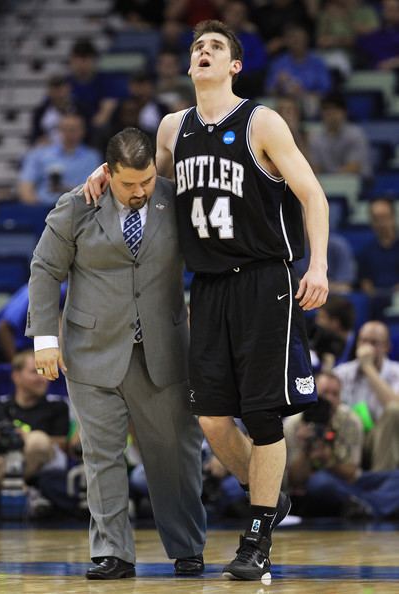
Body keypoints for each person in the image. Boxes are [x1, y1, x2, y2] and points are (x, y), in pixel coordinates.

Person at [84, 19, 329, 582]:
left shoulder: (261, 121)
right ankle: (269, 496)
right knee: (214, 420)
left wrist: (317, 265)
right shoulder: (173, 127)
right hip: (210, 286)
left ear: (235, 65)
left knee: (264, 415)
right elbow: (146, 180)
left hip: (266, 279)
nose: (203, 52)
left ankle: (258, 534)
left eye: (215, 47)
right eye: (197, 46)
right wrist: (107, 171)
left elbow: (312, 193)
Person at [26, 128, 206, 579]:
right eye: (129, 184)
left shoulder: (176, 199)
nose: (140, 191)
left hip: (165, 349)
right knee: (101, 455)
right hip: (91, 353)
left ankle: (186, 546)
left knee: (176, 452)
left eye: (146, 180)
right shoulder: (77, 205)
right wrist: (45, 340)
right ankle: (112, 552)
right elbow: (45, 269)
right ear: (108, 173)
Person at [284, 371, 399, 520]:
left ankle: (366, 506)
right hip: (315, 486)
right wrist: (306, 451)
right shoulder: (293, 424)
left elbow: (352, 473)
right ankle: (376, 504)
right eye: (325, 393)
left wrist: (328, 459)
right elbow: (294, 482)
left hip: (347, 483)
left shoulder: (351, 421)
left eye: (335, 394)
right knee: (319, 482)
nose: (330, 399)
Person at [0, 350, 69, 487]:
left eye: (44, 372)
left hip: (45, 464)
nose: (43, 378)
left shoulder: (58, 406)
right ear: (16, 376)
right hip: (1, 460)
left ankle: (5, 486)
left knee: (37, 441)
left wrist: (24, 438)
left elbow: (63, 444)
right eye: (35, 372)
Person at [334, 321, 399, 471]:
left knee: (394, 411)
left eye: (374, 343)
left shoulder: (396, 372)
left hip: (384, 440)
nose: (367, 348)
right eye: (363, 341)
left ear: (387, 346)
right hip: (349, 436)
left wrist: (368, 368)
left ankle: (381, 481)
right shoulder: (342, 373)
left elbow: (396, 407)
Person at [18, 113, 101, 206]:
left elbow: (93, 190)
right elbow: (25, 187)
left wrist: (64, 189)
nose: (69, 133)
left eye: (73, 129)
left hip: (79, 209)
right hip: (43, 207)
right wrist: (36, 209)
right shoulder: (38, 154)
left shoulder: (92, 157)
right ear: (58, 131)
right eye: (65, 129)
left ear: (83, 131)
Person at [308, 93, 372, 179]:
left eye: (335, 110)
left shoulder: (356, 134)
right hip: (327, 184)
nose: (331, 115)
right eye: (327, 111)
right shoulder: (316, 139)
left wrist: (331, 179)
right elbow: (316, 168)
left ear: (344, 112)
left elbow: (354, 166)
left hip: (357, 182)